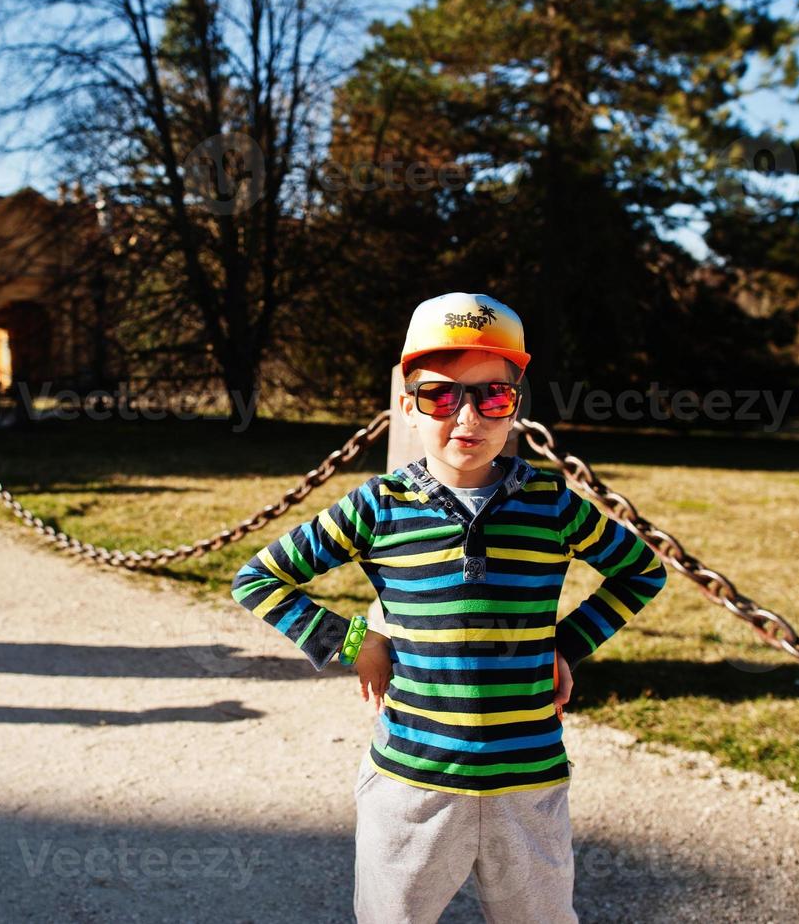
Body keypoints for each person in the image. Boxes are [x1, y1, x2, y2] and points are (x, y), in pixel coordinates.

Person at [230, 293, 668, 923]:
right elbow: (260, 578)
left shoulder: (551, 503)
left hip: (528, 781)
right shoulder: (377, 505)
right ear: (408, 403)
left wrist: (564, 645)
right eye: (440, 395)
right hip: (411, 782)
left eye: (492, 396)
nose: (467, 416)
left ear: (516, 403)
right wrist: (358, 644)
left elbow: (640, 571)